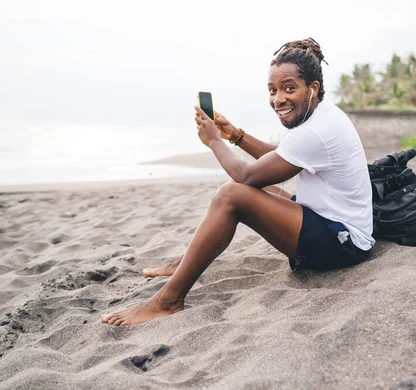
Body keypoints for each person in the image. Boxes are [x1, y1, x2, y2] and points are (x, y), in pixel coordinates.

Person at [101, 38, 375, 326]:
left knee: (232, 195)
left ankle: (168, 301)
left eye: (289, 88)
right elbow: (280, 158)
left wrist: (214, 142)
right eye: (272, 90)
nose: (278, 99)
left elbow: (245, 175)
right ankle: (185, 263)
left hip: (342, 243)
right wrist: (235, 135)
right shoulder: (322, 116)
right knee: (257, 186)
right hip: (330, 221)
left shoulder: (318, 129)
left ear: (313, 88)